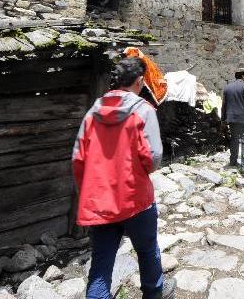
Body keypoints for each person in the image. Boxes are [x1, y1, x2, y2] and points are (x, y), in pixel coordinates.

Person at [72, 57, 175, 299]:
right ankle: (153, 293)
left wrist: (86, 194)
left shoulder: (93, 112)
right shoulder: (144, 111)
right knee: (147, 250)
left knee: (101, 262)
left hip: (100, 201)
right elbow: (154, 157)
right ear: (139, 81)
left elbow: (78, 158)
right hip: (135, 199)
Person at [221, 67, 244, 176]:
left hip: (231, 119)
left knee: (234, 139)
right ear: (243, 76)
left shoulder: (227, 88)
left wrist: (223, 119)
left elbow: (224, 105)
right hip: (243, 119)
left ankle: (233, 161)